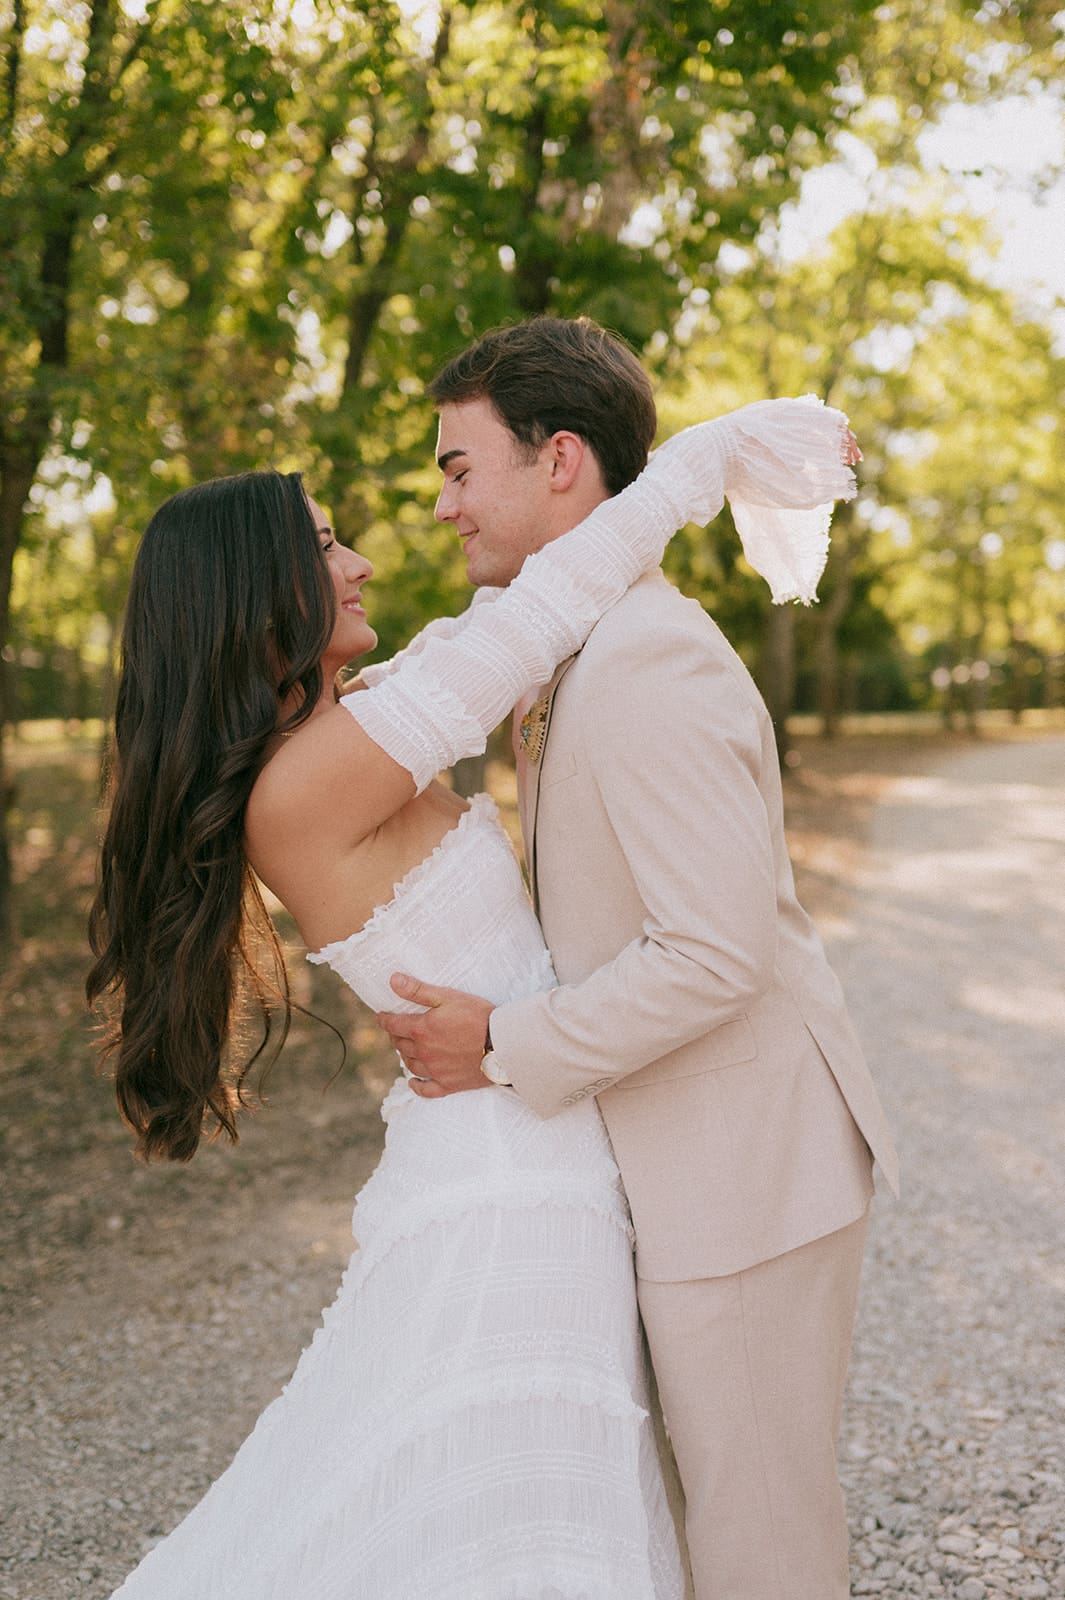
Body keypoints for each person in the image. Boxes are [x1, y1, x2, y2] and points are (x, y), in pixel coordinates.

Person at [88, 321, 861, 1599]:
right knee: (508, 1518)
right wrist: (696, 464)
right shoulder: (324, 773)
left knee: (574, 1509)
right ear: (256, 591)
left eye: (456, 473)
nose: (377, 548)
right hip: (510, 1169)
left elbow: (509, 628)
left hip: (573, 1147)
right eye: (328, 543)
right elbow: (534, 609)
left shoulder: (378, 715)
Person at [377, 317, 901, 1600]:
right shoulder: (564, 645)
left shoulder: (651, 658)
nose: (443, 505)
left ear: (560, 463)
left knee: (757, 1534)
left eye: (459, 467)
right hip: (683, 1169)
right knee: (694, 1522)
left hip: (746, 1177)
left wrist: (499, 1044)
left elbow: (713, 954)